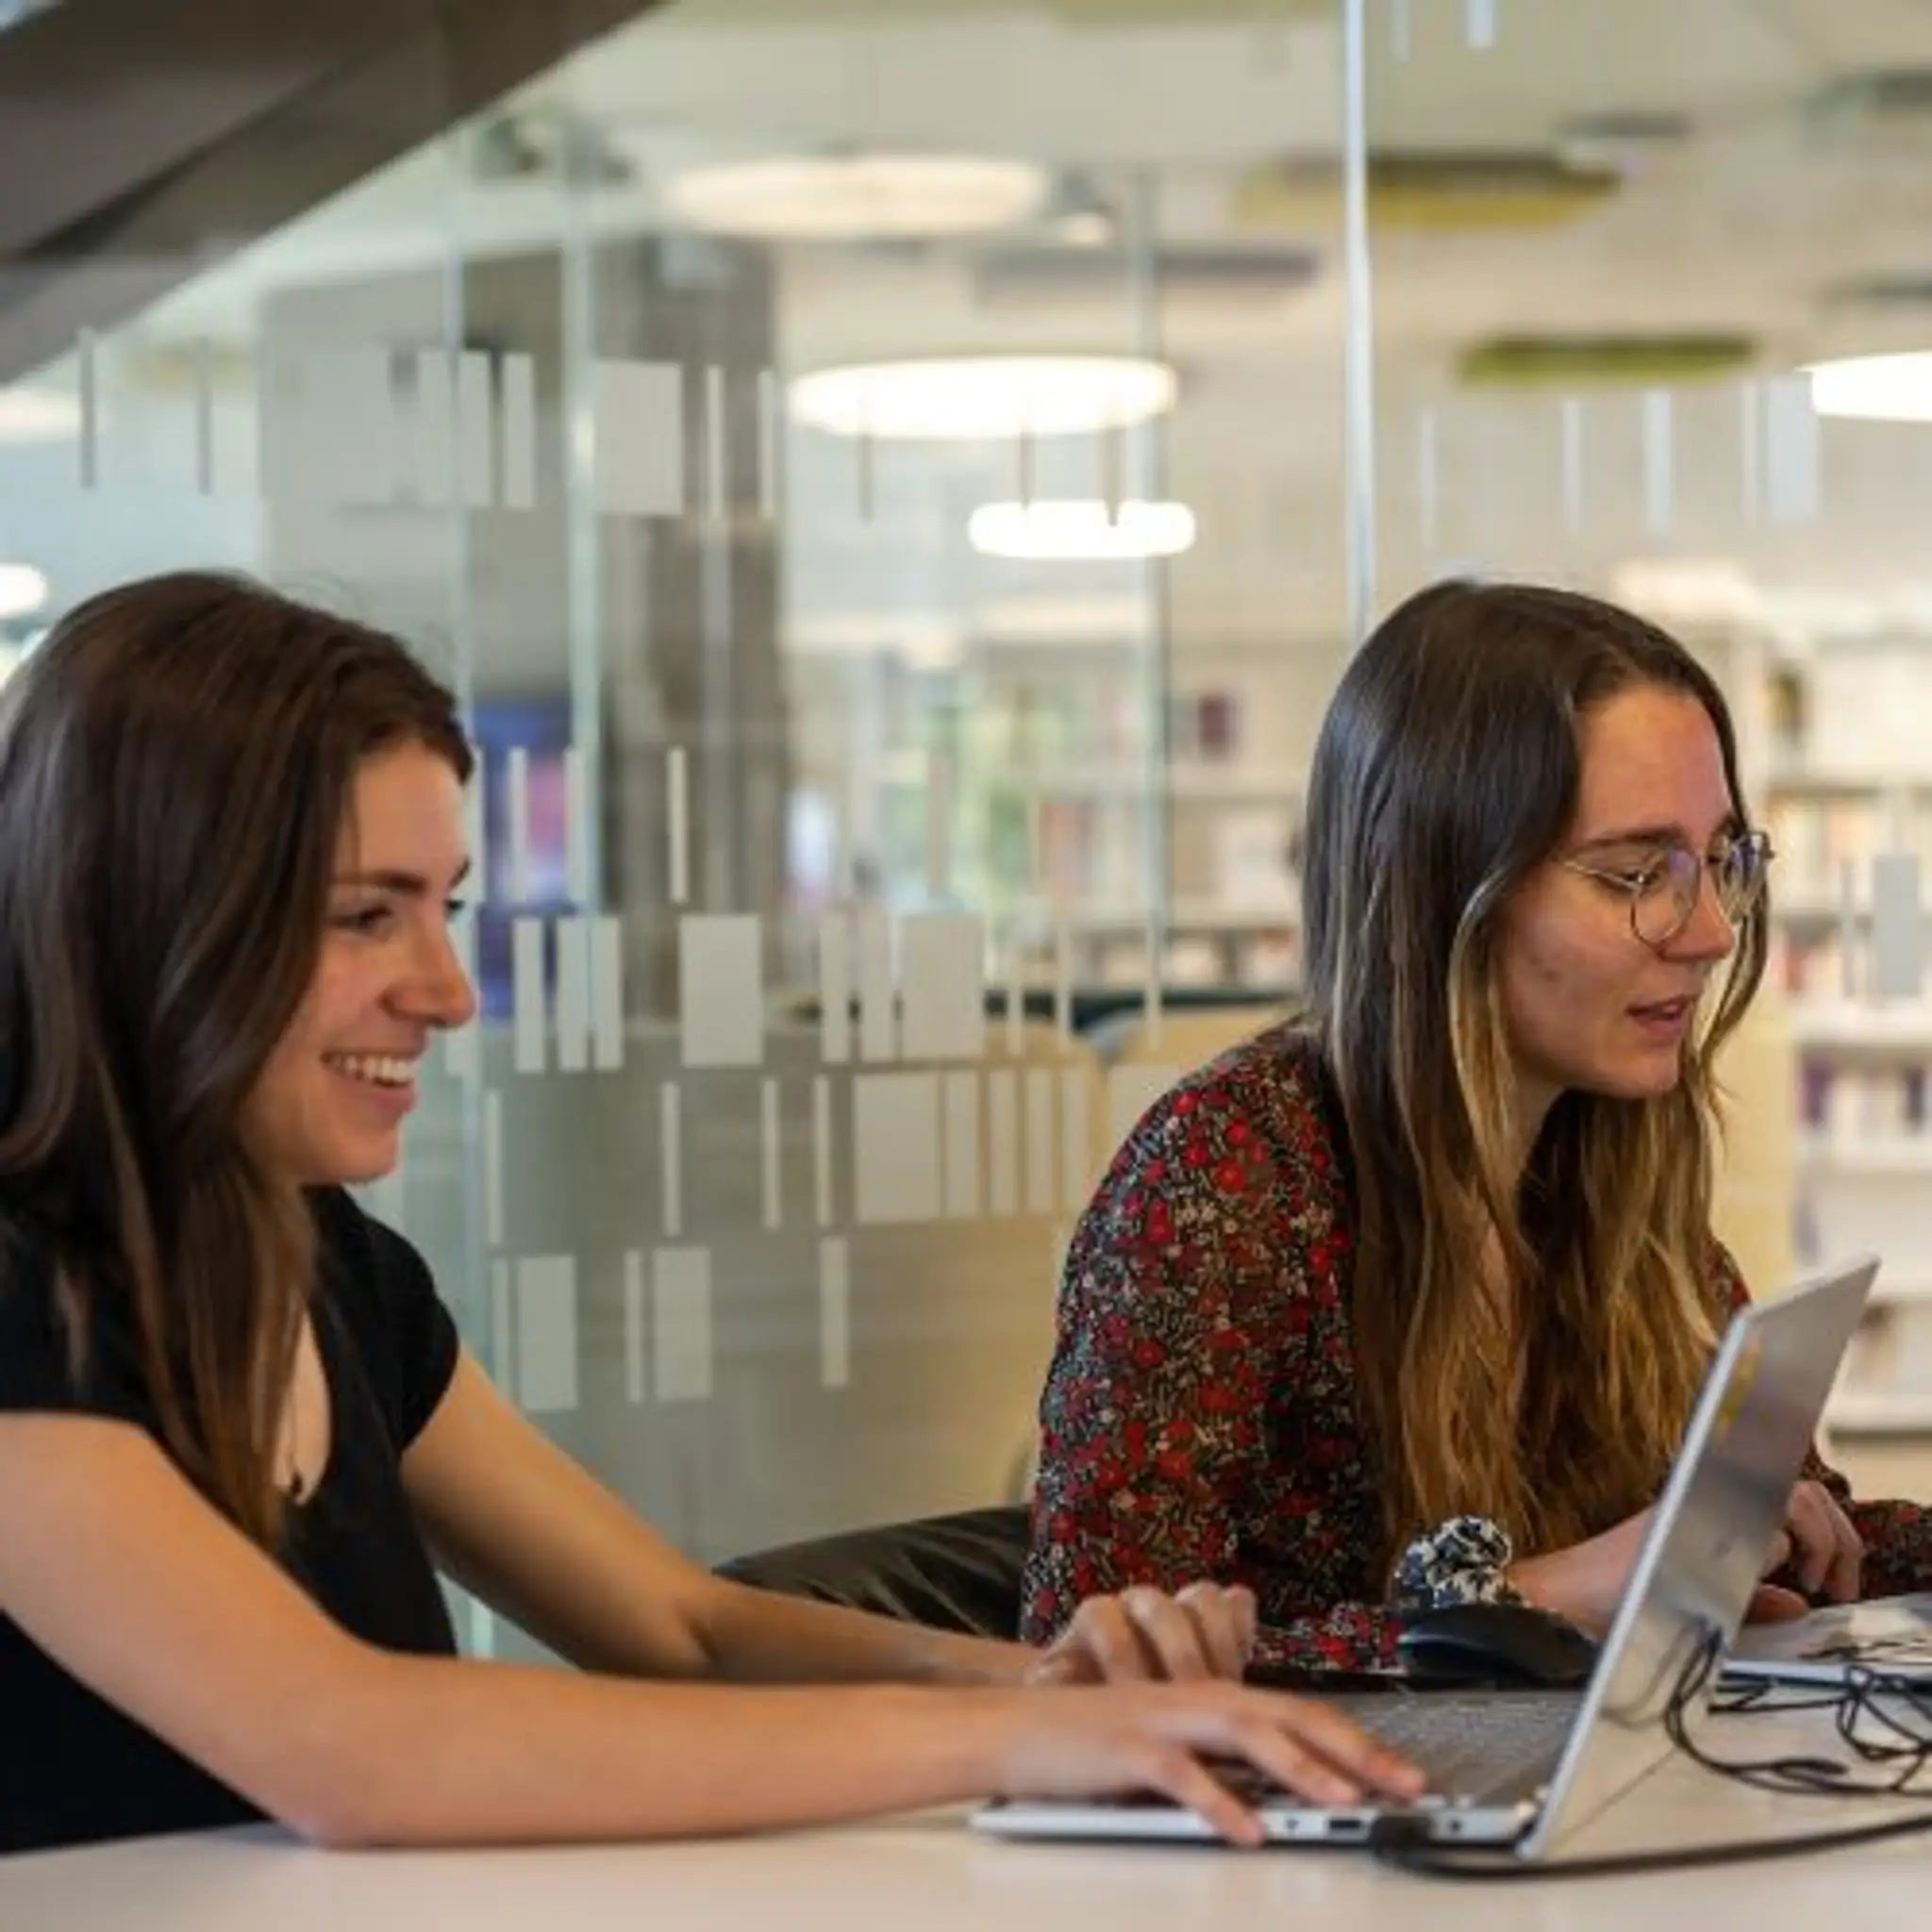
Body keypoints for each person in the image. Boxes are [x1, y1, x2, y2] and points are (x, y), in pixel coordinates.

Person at [0, 572, 1423, 1857]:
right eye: (367, 917)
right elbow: (358, 1750)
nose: (447, 990)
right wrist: (1018, 1740)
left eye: (446, 909)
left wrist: (1058, 1693)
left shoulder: (332, 1273)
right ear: (151, 915)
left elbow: (682, 1631)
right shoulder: (18, 1295)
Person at [1022, 578, 1932, 1674]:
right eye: (1638, 872)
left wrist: (1776, 1532)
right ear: (1447, 882)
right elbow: (1089, 1669)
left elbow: (1809, 1536)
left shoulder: (1607, 1164)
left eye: (1722, 862)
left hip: (1565, 1807)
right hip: (1292, 1839)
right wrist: (1537, 1596)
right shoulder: (1226, 1178)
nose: (1703, 932)